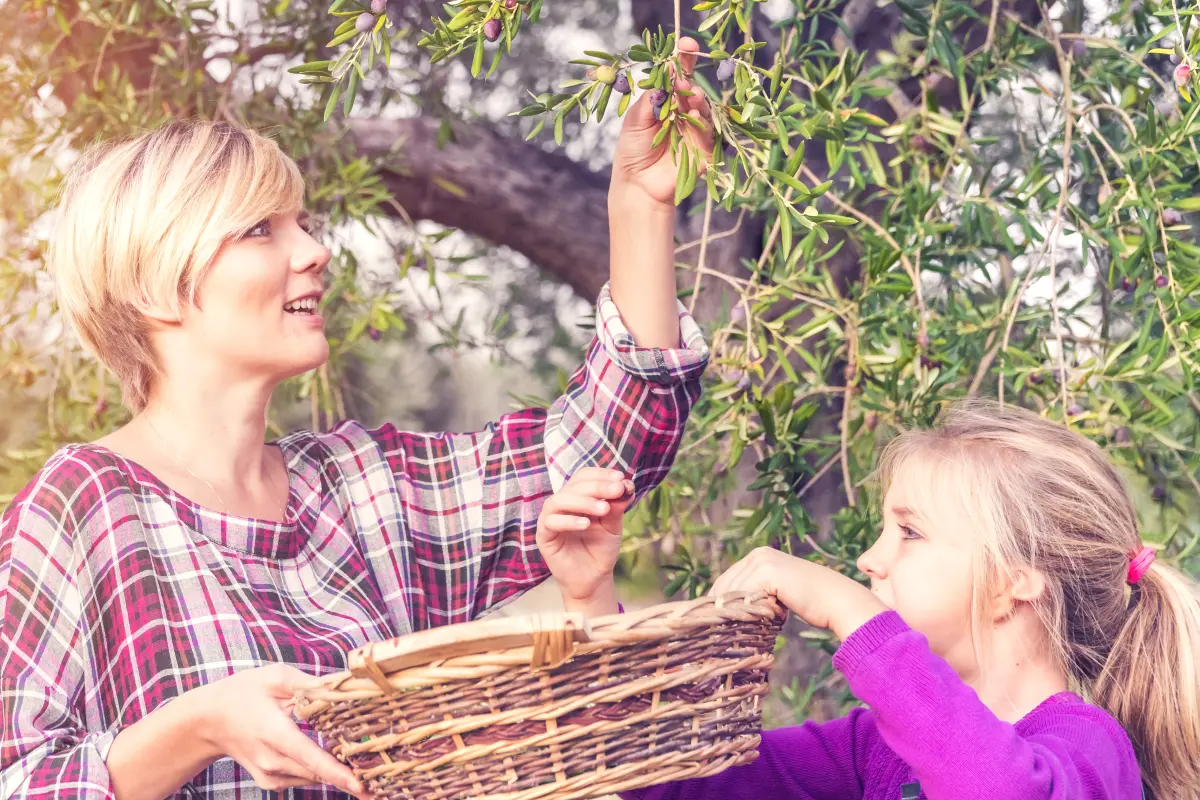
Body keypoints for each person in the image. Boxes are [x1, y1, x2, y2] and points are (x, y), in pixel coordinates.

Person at [0, 39, 715, 799]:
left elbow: (604, 452)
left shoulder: (361, 489)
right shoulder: (81, 509)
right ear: (152, 284)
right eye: (259, 230)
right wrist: (194, 729)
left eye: (301, 222)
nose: (314, 250)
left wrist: (639, 208)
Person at [614, 400, 1200, 800]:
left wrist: (856, 616)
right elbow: (680, 781)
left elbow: (997, 788)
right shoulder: (873, 745)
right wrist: (591, 591)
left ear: (1012, 581)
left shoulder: (1092, 750)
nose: (869, 558)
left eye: (910, 533)